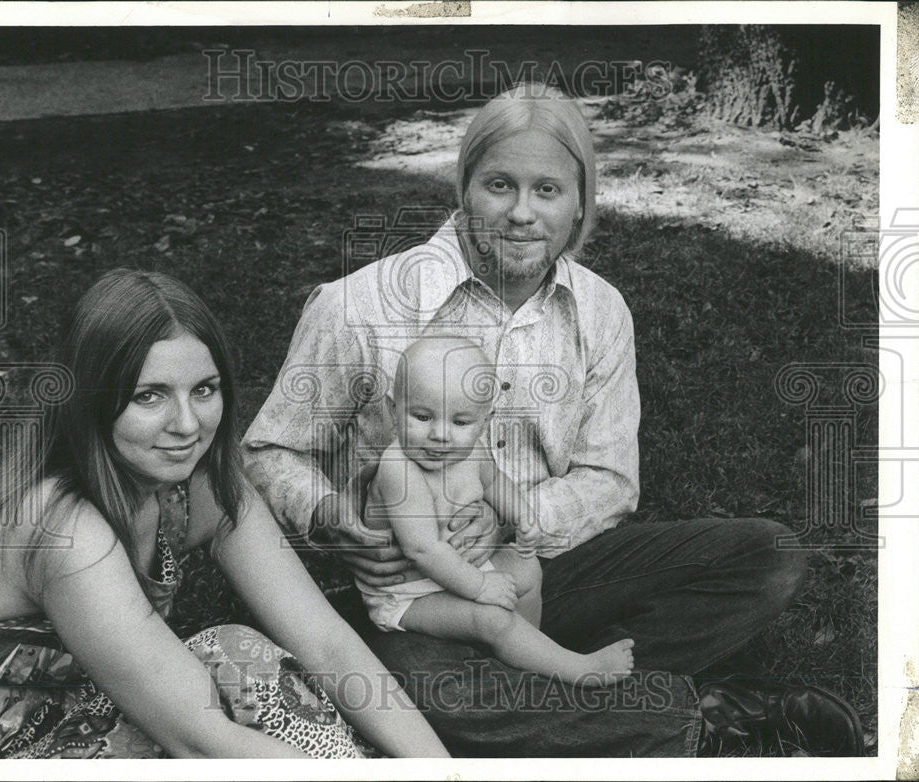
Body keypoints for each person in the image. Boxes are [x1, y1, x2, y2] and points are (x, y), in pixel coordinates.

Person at [243, 83, 865, 757]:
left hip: (541, 571)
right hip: (410, 604)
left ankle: (561, 697)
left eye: (547, 190)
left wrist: (513, 518)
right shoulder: (359, 305)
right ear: (464, 188)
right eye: (499, 185)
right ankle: (706, 721)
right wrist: (332, 515)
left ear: (580, 204)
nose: (520, 213)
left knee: (766, 556)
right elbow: (268, 451)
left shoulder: (601, 312)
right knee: (418, 687)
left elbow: (609, 478)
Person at [0, 268, 449, 759]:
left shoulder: (197, 488)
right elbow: (201, 741)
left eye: (203, 389)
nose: (187, 424)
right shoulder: (66, 527)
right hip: (2, 750)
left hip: (101, 705)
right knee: (230, 683)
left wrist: (441, 771)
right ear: (90, 402)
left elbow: (326, 643)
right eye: (148, 395)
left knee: (241, 659)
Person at [359, 335, 635, 686]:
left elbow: (494, 482)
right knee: (489, 616)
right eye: (422, 416)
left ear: (484, 421)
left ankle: (528, 652)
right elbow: (422, 549)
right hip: (407, 593)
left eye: (460, 422)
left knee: (526, 568)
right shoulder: (400, 469)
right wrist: (479, 587)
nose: (440, 435)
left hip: (458, 567)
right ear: (392, 408)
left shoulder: (470, 452)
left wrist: (522, 516)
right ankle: (576, 670)